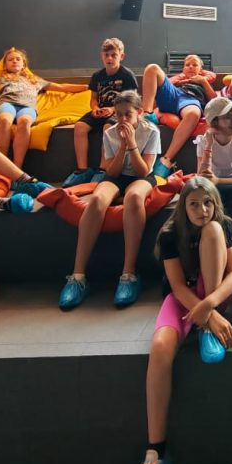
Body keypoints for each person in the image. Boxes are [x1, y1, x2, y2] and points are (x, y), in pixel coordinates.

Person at [121, 177, 232, 464]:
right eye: (194, 204)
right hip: (184, 298)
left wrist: (211, 308)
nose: (202, 209)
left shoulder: (223, 224)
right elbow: (176, 286)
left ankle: (206, 329)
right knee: (160, 347)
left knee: (213, 231)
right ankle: (155, 455)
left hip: (214, 297)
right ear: (183, 208)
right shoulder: (170, 234)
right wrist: (203, 314)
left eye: (208, 202)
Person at [59, 91, 162, 310]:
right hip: (117, 175)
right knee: (97, 199)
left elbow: (143, 171)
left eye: (128, 114)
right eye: (119, 115)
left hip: (142, 175)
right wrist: (122, 146)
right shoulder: (110, 133)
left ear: (139, 112)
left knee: (134, 197)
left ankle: (129, 274)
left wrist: (132, 144)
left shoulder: (151, 131)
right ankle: (78, 276)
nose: (123, 119)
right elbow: (111, 171)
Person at [0, 47, 83, 169]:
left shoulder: (35, 80)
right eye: (10, 60)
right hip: (7, 104)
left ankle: (16, 167)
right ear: (5, 65)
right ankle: (2, 165)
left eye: (18, 59)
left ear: (23, 64)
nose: (14, 61)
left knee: (25, 122)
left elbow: (61, 87)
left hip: (27, 107)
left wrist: (87, 87)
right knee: (5, 120)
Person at [65, 38, 139, 187]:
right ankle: (82, 169)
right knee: (79, 126)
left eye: (114, 55)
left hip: (119, 112)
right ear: (102, 56)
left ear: (121, 56)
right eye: (106, 55)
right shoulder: (97, 76)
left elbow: (132, 101)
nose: (109, 58)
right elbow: (93, 98)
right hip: (100, 110)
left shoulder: (127, 75)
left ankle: (102, 169)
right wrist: (95, 109)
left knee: (108, 128)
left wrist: (112, 109)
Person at [140, 58, 208, 172]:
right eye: (187, 65)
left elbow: (213, 98)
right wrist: (175, 83)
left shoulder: (204, 81)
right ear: (183, 69)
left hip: (190, 99)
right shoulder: (177, 81)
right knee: (152, 68)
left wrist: (204, 82)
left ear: (201, 70)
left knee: (193, 114)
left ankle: (166, 160)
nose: (191, 67)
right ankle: (147, 115)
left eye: (195, 65)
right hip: (175, 94)